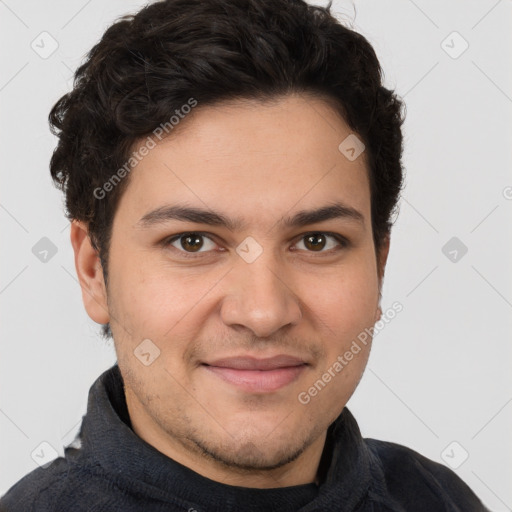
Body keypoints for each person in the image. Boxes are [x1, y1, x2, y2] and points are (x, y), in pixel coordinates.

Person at [0, 0, 489, 510]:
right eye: (193, 242)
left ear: (378, 266)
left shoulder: (439, 498)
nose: (263, 313)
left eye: (316, 241)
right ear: (94, 271)